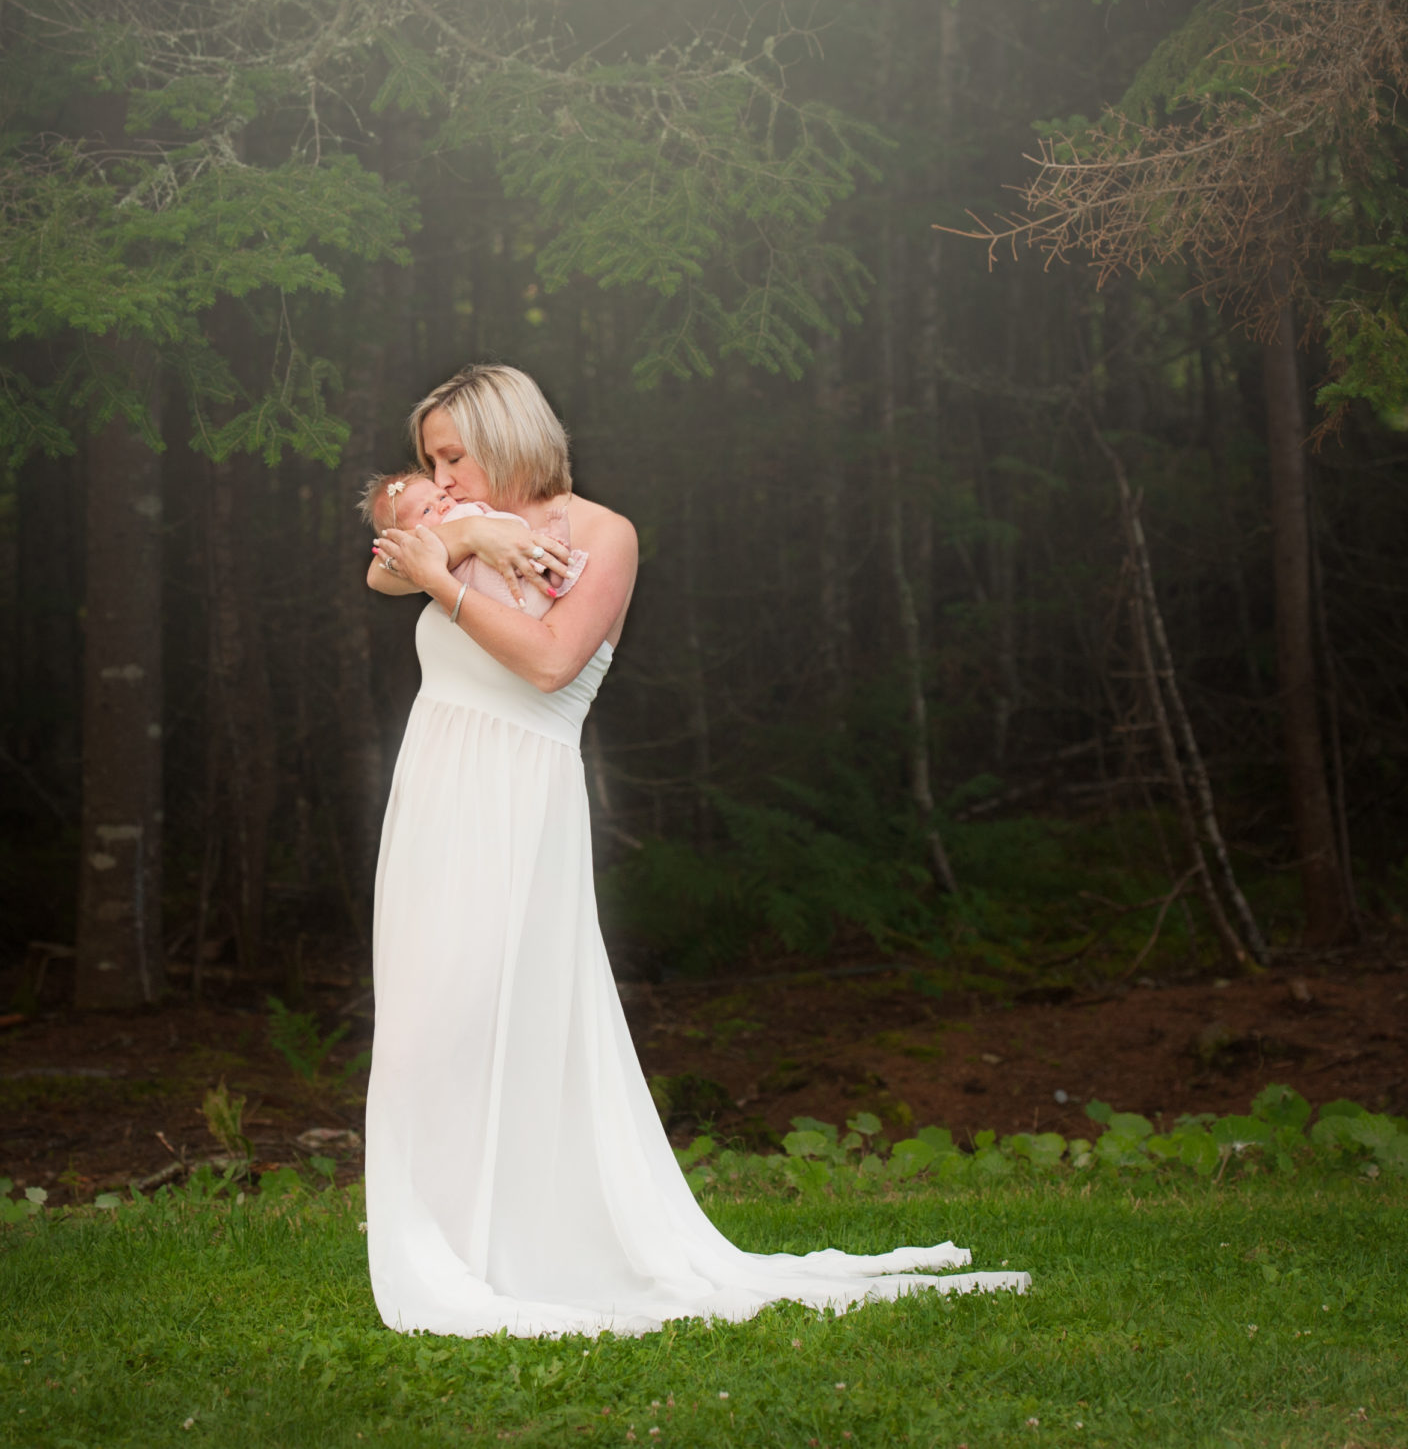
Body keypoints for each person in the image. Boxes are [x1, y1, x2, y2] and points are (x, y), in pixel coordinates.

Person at [360, 362, 1027, 1337]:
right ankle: (451, 1240)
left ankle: (519, 1243)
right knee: (422, 1024)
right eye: (430, 460)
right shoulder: (460, 529)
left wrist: (444, 579)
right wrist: (463, 535)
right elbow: (381, 563)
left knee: (493, 1010)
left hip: (517, 795)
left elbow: (549, 664)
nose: (442, 474)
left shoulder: (599, 534)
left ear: (510, 436)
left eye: (456, 454)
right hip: (434, 794)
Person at [359, 468, 589, 621]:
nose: (442, 506)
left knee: (541, 561)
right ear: (405, 534)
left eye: (440, 497)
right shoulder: (425, 545)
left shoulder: (464, 510)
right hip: (504, 600)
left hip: (525, 576)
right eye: (426, 510)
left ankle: (554, 547)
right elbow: (376, 574)